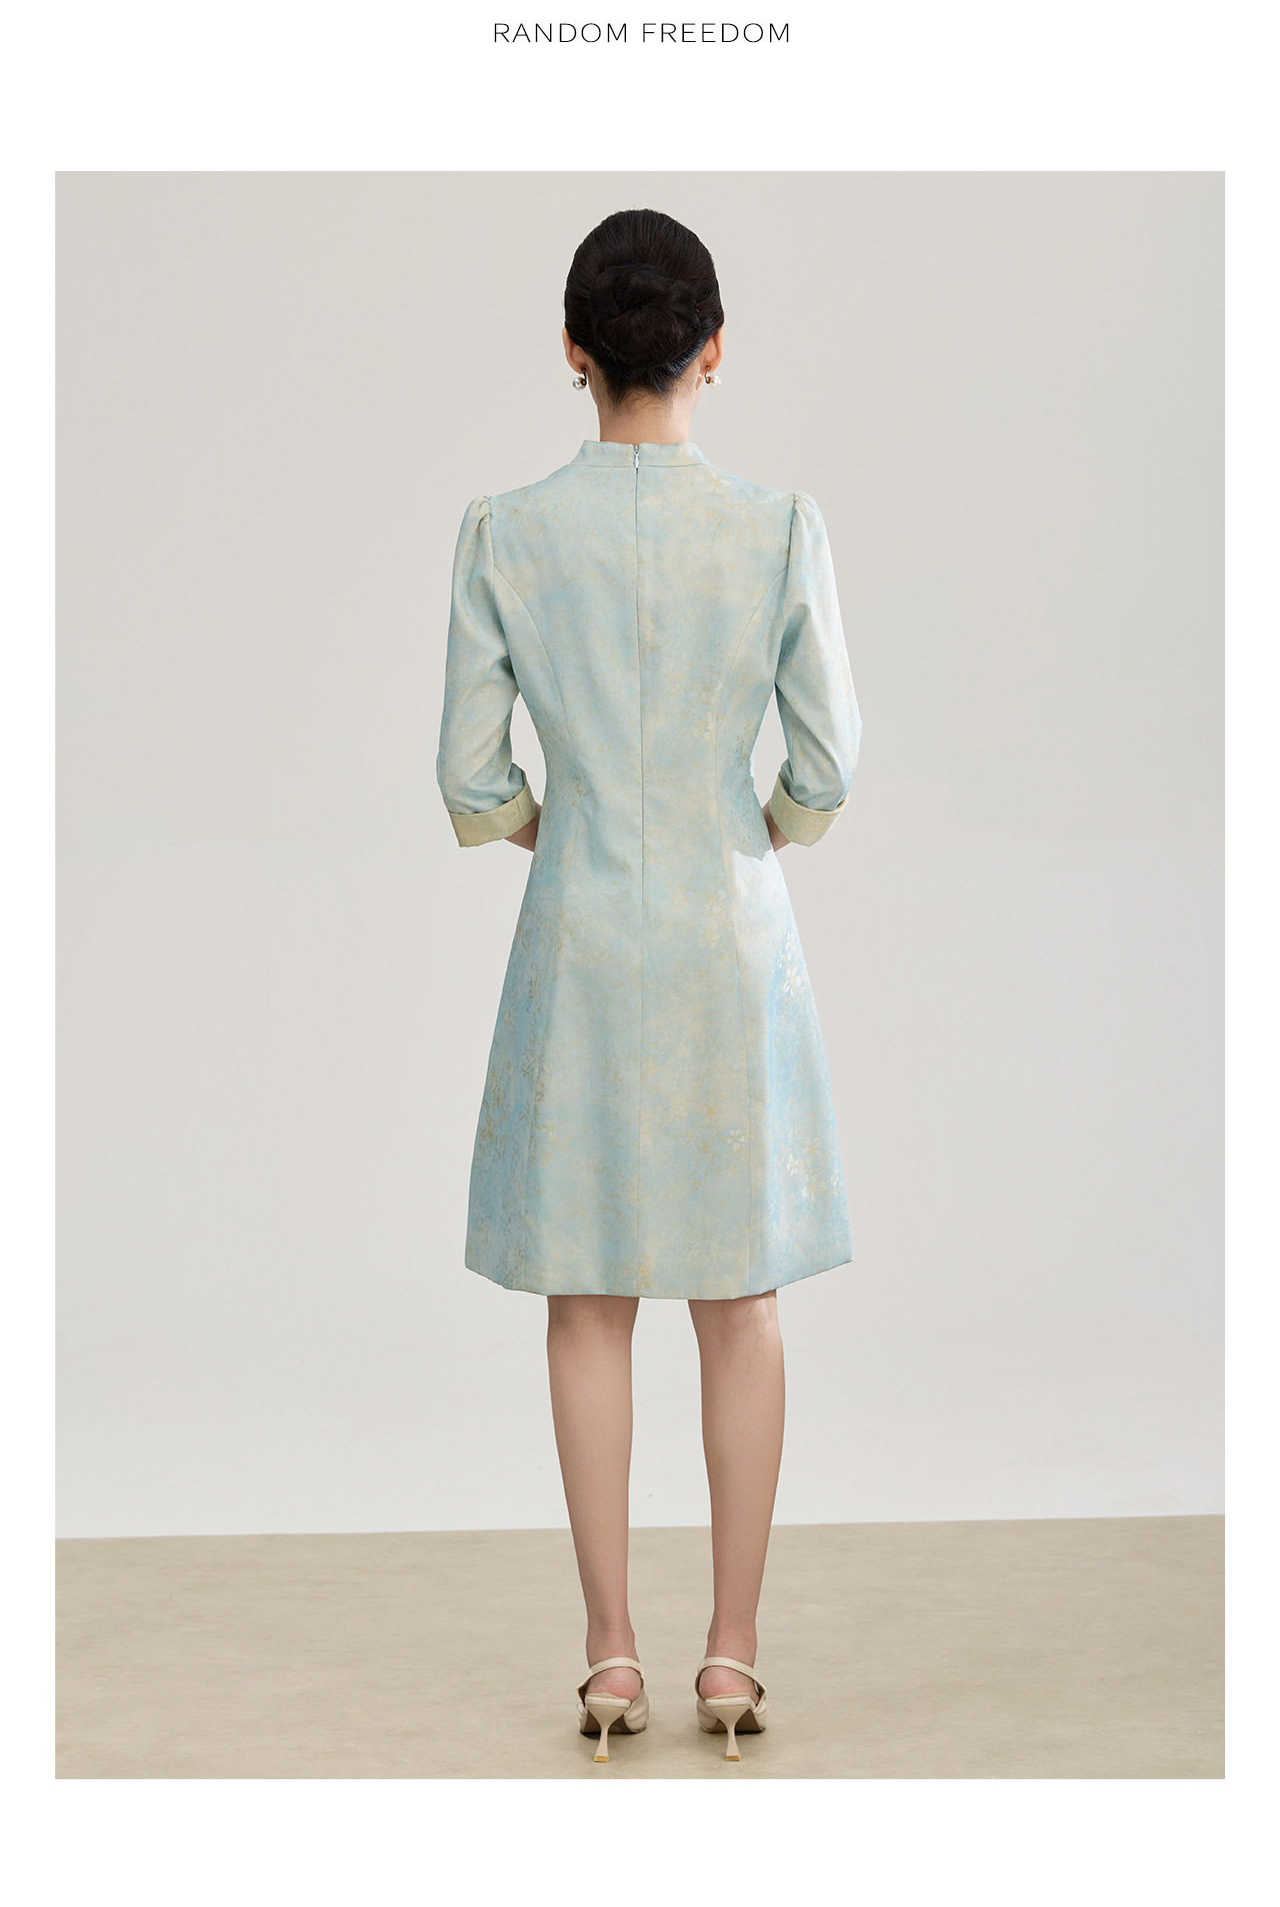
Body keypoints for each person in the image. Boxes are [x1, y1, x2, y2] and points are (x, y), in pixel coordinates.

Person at [436, 207, 862, 1763]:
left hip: (582, 932)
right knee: (737, 1298)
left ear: (574, 350)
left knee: (589, 1294)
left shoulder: (506, 533)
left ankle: (610, 1654)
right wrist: (764, 828)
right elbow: (830, 761)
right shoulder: (777, 528)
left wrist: (546, 829)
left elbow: (470, 774)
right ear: (714, 347)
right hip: (725, 936)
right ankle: (732, 1656)